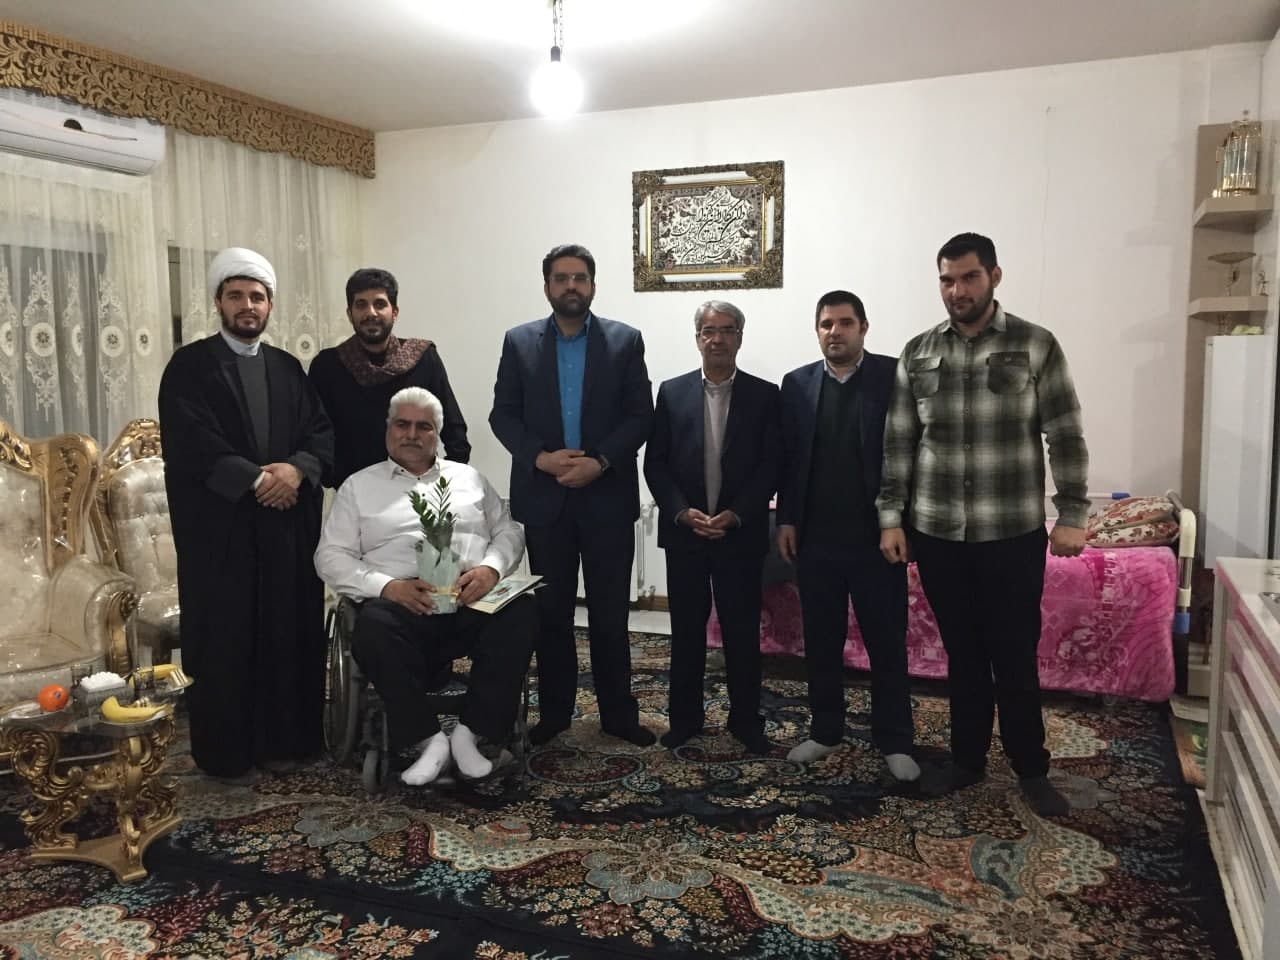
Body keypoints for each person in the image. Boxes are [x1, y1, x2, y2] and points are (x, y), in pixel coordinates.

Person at [877, 232, 1089, 817]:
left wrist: (1072, 512)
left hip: (1011, 532)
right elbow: (899, 442)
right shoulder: (918, 352)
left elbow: (1065, 432)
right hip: (939, 533)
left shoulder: (1035, 344)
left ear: (994, 276)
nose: (957, 290)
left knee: (1014, 654)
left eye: (968, 277)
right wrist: (891, 517)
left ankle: (1030, 768)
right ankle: (967, 760)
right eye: (947, 280)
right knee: (963, 653)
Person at [158, 247, 334, 783]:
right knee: (227, 638)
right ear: (218, 302)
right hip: (224, 535)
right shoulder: (190, 366)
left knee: (286, 631)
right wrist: (257, 480)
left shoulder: (288, 368)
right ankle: (227, 753)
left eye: (257, 296)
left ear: (270, 304)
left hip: (283, 531)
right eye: (236, 295)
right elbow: (192, 441)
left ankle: (289, 742)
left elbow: (319, 432)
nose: (247, 305)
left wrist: (297, 471)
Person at [315, 387, 534, 785]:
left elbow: (509, 532)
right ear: (388, 429)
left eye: (424, 427)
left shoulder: (469, 479)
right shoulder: (358, 487)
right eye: (403, 424)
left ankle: (471, 735)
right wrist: (387, 586)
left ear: (438, 434)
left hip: (470, 601)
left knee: (523, 611)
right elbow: (330, 556)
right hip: (401, 608)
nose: (412, 434)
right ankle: (427, 740)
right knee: (370, 628)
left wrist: (490, 570)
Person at [490, 243, 656, 747]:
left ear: (593, 285)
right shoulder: (519, 342)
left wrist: (599, 462)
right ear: (547, 286)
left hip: (607, 499)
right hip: (545, 500)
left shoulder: (625, 341)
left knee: (610, 615)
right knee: (551, 616)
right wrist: (540, 458)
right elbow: (503, 415)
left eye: (579, 278)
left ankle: (618, 716)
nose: (571, 286)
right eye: (561, 278)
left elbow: (640, 415)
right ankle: (555, 714)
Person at [776, 291, 919, 782]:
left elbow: (910, 452)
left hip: (877, 538)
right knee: (821, 640)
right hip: (817, 538)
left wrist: (901, 522)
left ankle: (895, 739)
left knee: (886, 642)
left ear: (863, 327)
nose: (834, 332)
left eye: (844, 323)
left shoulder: (894, 377)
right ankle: (825, 729)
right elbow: (790, 460)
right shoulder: (796, 384)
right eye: (826, 324)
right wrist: (786, 519)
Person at [644, 301, 779, 755]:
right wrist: (681, 512)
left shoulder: (765, 395)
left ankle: (746, 722)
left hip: (739, 534)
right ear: (697, 337)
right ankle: (684, 721)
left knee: (742, 633)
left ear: (739, 336)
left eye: (726, 330)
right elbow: (656, 463)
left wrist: (738, 513)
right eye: (708, 330)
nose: (717, 338)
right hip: (686, 534)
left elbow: (771, 465)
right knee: (686, 632)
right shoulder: (672, 392)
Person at [309, 267, 470, 486]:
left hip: (418, 487)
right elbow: (317, 433)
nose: (371, 313)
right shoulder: (328, 366)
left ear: (394, 311)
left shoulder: (423, 358)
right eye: (361, 304)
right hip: (355, 490)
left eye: (380, 304)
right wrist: (336, 480)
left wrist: (448, 484)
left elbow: (453, 427)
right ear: (350, 314)